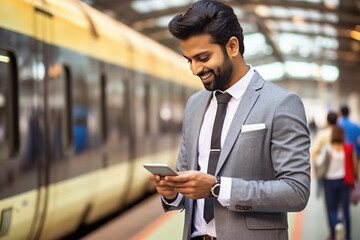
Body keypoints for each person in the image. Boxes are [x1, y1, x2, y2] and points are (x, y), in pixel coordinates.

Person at [149, 1, 311, 239]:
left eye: (202, 57)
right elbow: (190, 188)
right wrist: (172, 192)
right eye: (189, 60)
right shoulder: (194, 104)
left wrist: (217, 188)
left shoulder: (281, 103)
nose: (195, 69)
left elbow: (296, 191)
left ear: (232, 46)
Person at [322, 125, 358, 240]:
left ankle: (335, 230)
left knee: (331, 208)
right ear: (343, 135)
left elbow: (321, 164)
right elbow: (355, 165)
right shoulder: (348, 148)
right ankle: (348, 236)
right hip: (344, 181)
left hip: (329, 181)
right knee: (345, 209)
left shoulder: (328, 148)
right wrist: (356, 177)